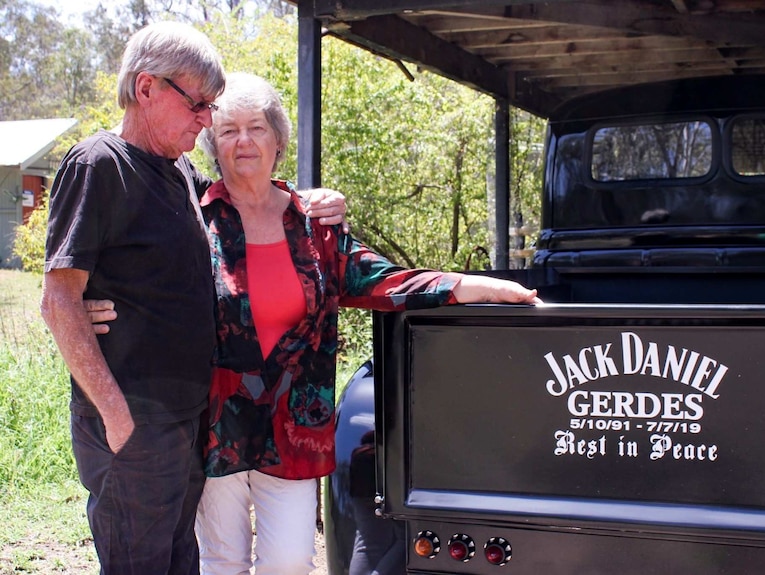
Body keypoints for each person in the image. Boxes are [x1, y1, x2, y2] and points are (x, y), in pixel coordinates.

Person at [192, 72, 541, 575]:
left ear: (278, 140)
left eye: (256, 127)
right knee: (221, 560)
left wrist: (477, 286)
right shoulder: (197, 220)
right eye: (228, 130)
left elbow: (385, 281)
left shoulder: (315, 227)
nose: (243, 141)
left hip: (294, 427)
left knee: (289, 562)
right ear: (213, 143)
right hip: (217, 424)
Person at [39, 23, 345, 575]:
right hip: (131, 424)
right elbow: (58, 300)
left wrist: (313, 200)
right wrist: (116, 419)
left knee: (183, 563)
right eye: (199, 104)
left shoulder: (181, 172)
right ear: (146, 87)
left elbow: (251, 198)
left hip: (188, 423)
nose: (208, 121)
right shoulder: (97, 165)